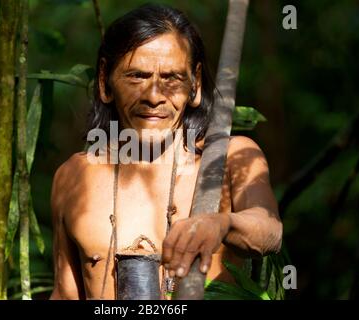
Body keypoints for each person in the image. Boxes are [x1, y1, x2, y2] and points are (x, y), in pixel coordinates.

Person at [50, 4, 282, 300]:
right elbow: (65, 293)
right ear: (105, 81)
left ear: (195, 83)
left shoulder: (230, 158)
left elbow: (269, 231)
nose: (154, 96)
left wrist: (223, 223)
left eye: (171, 77)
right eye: (137, 76)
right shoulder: (75, 176)